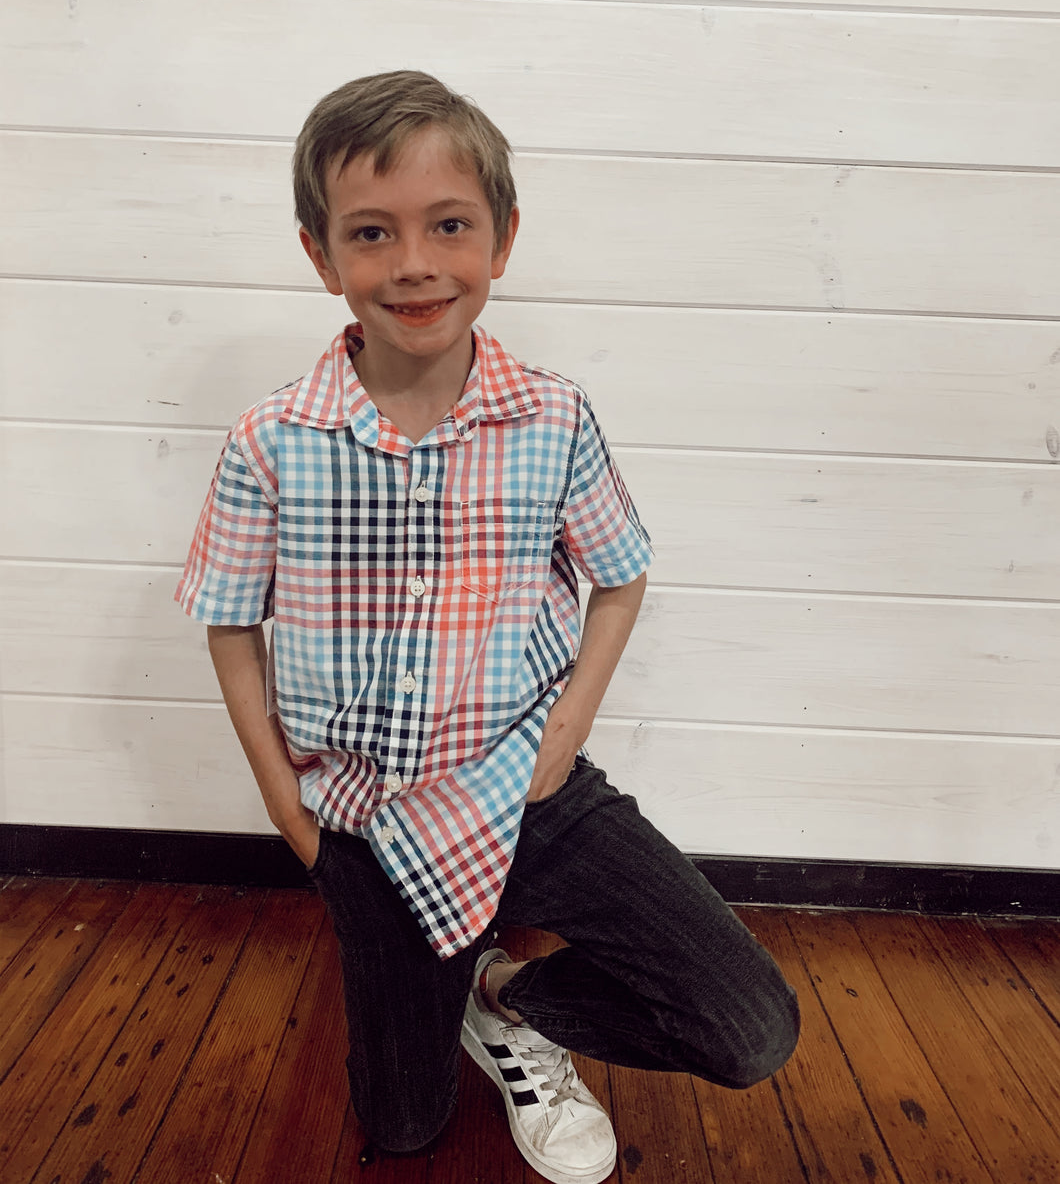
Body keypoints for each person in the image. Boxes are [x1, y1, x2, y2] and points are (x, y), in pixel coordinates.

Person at [176, 70, 799, 1184]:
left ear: (502, 239)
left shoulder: (551, 417)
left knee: (750, 1030)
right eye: (372, 233)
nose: (413, 261)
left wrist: (560, 739)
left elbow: (619, 577)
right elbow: (231, 625)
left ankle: (509, 995)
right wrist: (286, 803)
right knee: (406, 1123)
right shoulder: (272, 441)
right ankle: (442, 984)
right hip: (366, 819)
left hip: (528, 788)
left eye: (448, 225)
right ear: (322, 257)